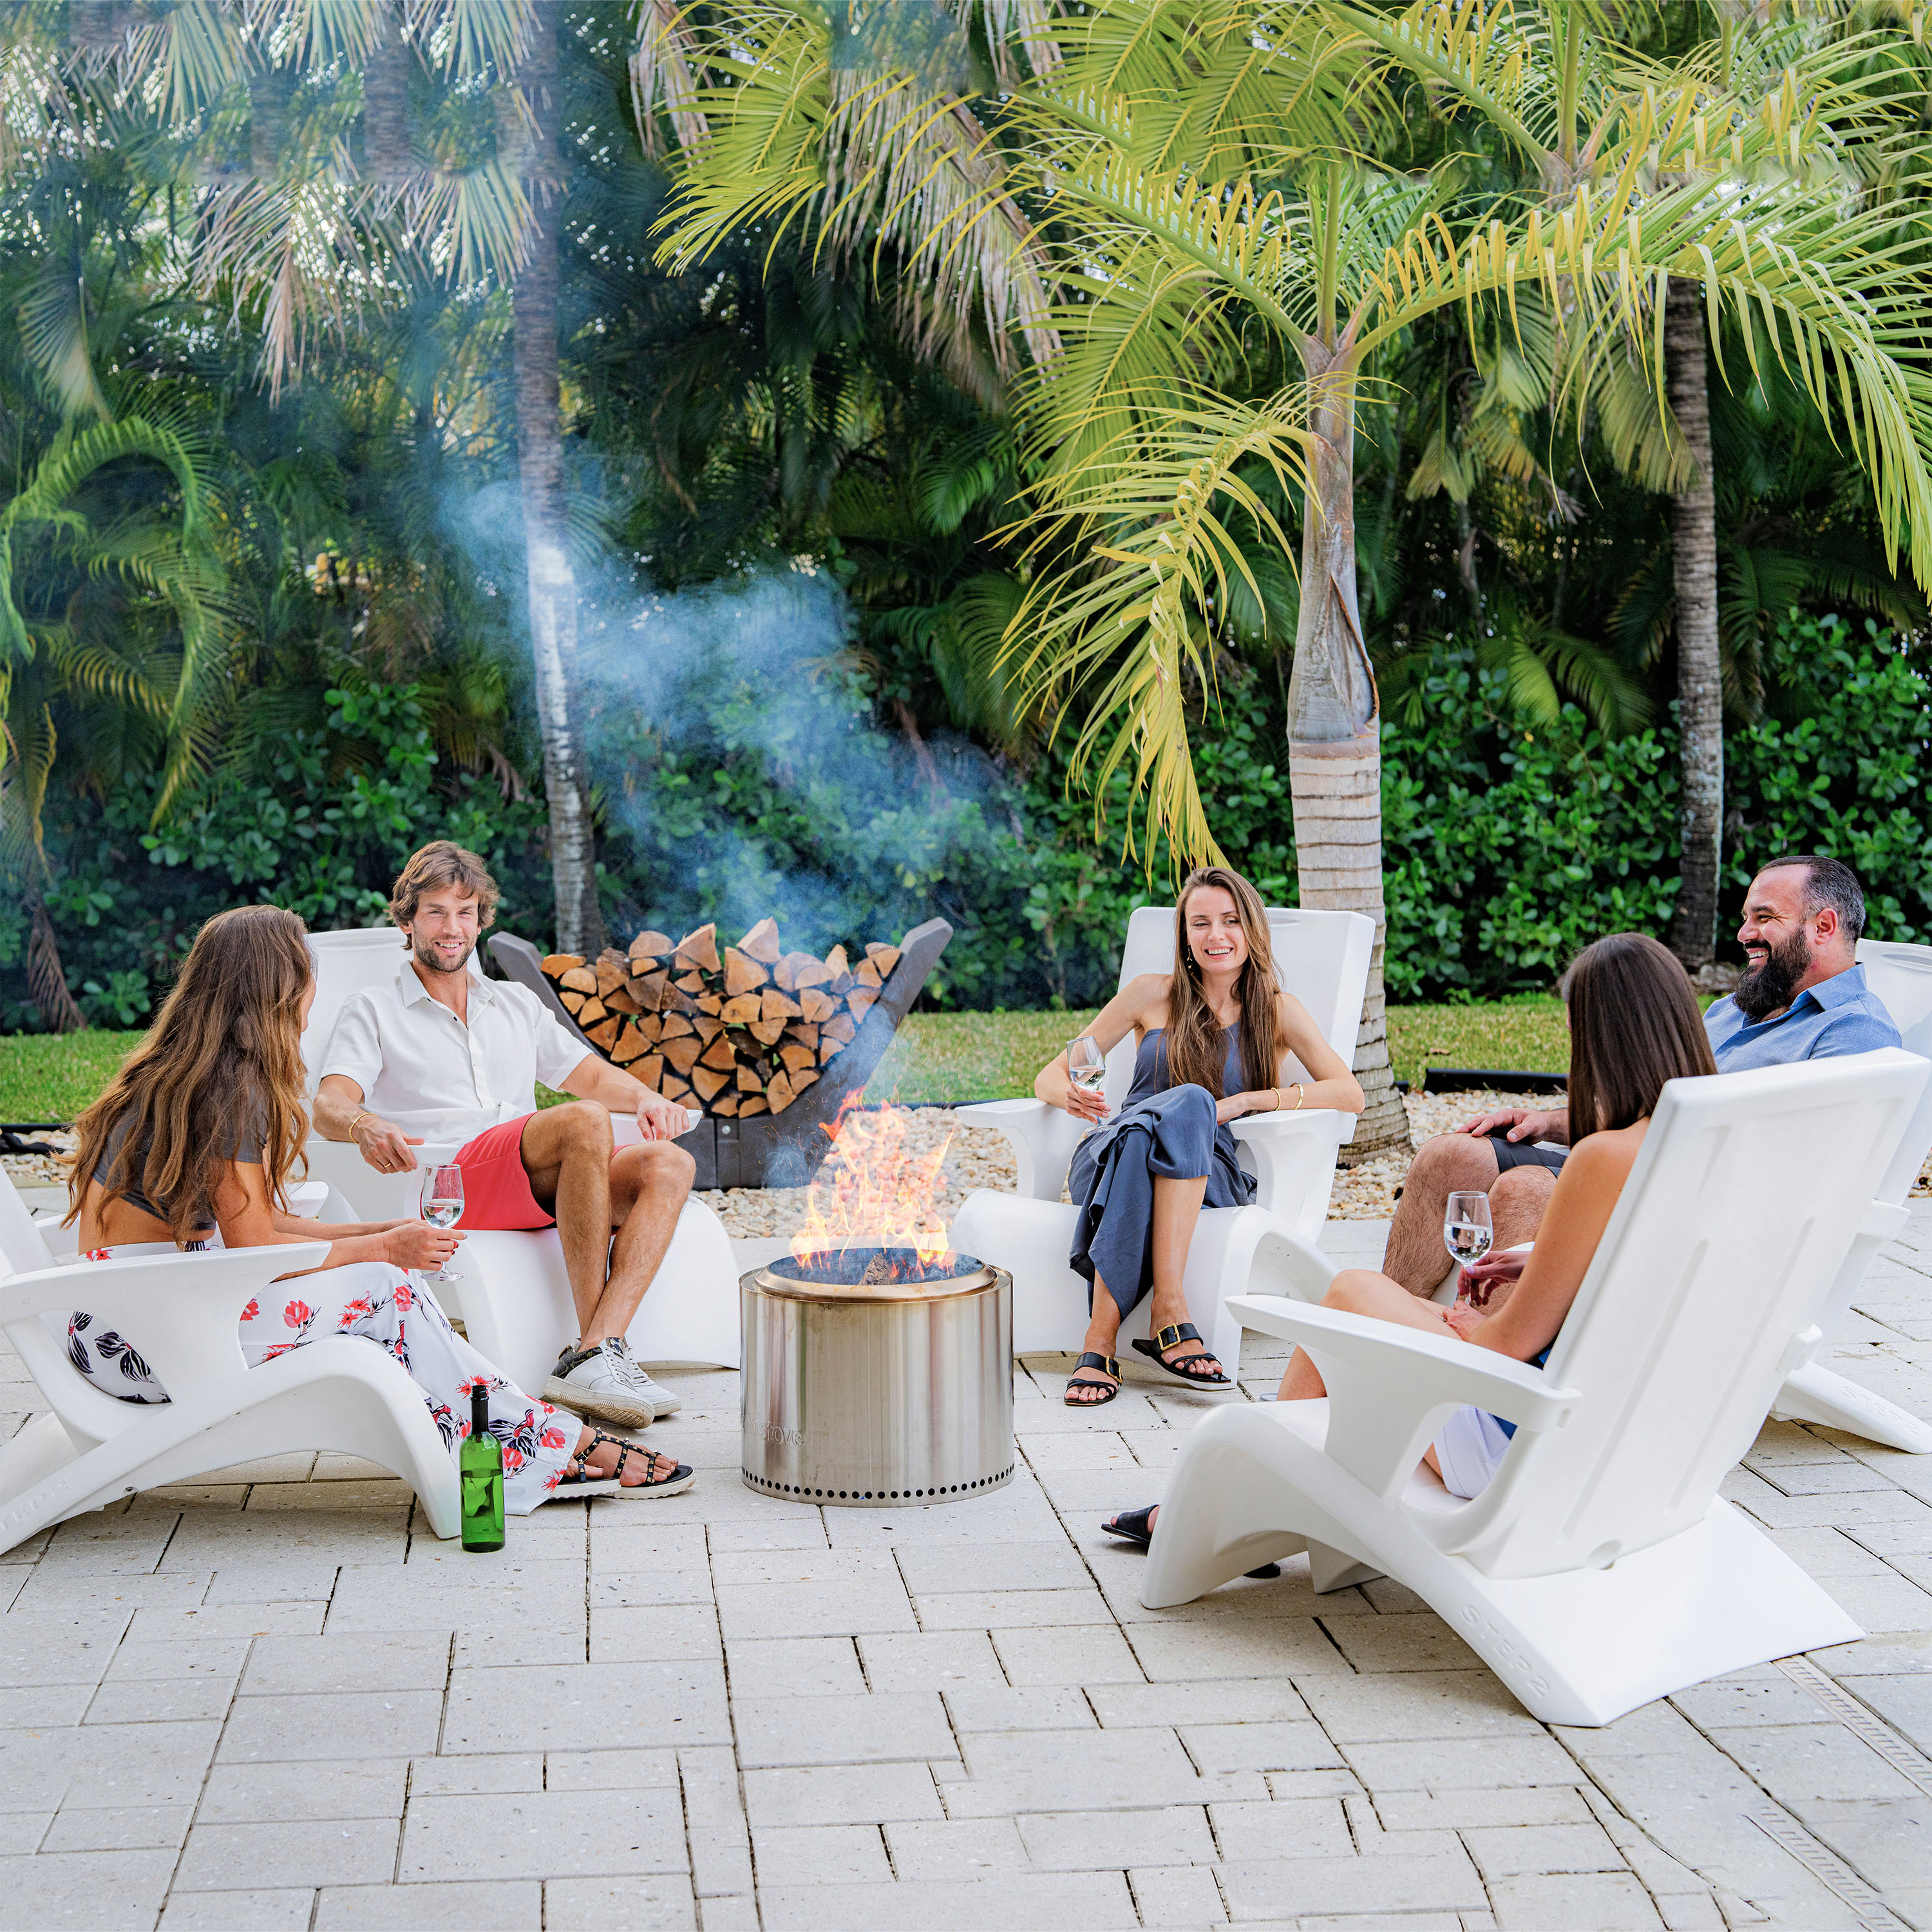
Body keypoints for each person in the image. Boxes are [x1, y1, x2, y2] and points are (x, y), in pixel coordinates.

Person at [1103, 931, 1718, 1551]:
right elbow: (1639, 1266)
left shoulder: (1603, 1157)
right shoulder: (1704, 1143)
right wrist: (1531, 1261)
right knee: (1364, 1318)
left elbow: (1507, 1348)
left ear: (1604, 1039)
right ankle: (1251, 1500)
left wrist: (1475, 1327)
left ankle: (1232, 1506)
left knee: (1350, 1295)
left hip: (1517, 1437)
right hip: (1620, 1428)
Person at [63, 905, 693, 1504]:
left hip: (131, 1315)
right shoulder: (228, 1092)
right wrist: (384, 1249)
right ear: (276, 990)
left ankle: (522, 1446)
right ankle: (545, 1445)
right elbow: (256, 1249)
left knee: (389, 1290)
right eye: (307, 978)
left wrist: (380, 1231)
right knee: (385, 1290)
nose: (311, 1003)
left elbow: (261, 1221)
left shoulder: (191, 1075)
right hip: (146, 1343)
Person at [1376, 852, 1902, 1300]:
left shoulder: (1855, 1035)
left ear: (1824, 926)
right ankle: (1393, 1324)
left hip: (1690, 1211)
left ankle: (1497, 1359)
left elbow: (1808, 1174)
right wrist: (1550, 1123)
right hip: (1635, 1170)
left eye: (1764, 918)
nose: (1745, 934)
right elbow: (1655, 1106)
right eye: (1746, 918)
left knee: (1526, 1189)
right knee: (1453, 1156)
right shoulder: (1732, 1010)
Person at [312, 842, 697, 1430]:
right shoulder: (373, 1008)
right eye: (436, 912)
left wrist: (646, 1097)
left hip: (529, 1173)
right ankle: (595, 1358)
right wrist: (364, 1124)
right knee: (584, 1120)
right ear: (408, 921)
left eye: (465, 913)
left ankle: (599, 1348)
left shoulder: (514, 1002)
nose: (452, 928)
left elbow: (592, 1077)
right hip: (450, 1181)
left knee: (669, 1165)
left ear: (481, 921)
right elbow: (328, 1104)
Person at [1034, 866, 1365, 1406]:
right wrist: (1070, 1095)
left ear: (1251, 930)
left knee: (1188, 1105)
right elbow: (1054, 1073)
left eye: (1230, 921)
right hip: (1111, 1153)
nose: (1216, 935)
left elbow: (1349, 1093)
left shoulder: (1276, 1011)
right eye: (1201, 923)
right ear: (1185, 935)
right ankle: (1170, 1314)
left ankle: (1099, 1343)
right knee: (1149, 1128)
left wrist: (1250, 1100)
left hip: (1206, 1170)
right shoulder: (1150, 994)